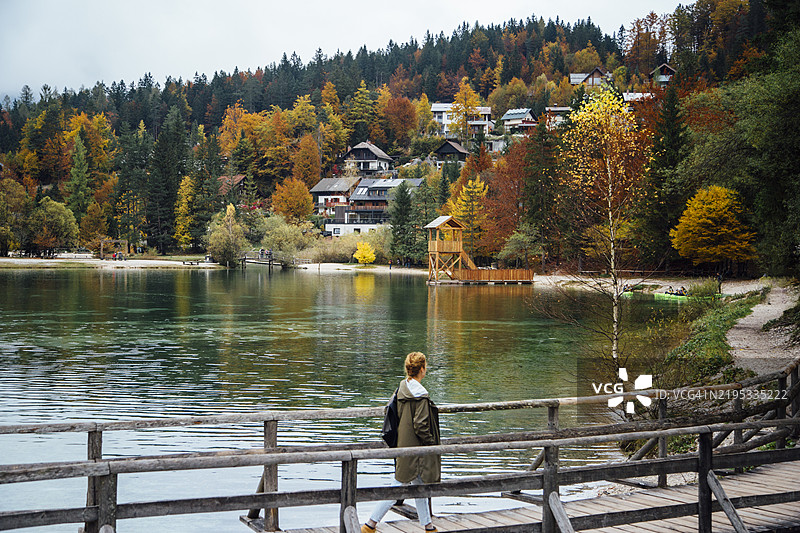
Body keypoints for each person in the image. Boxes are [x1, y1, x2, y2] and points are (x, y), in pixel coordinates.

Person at [362, 352, 440, 533]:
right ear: (422, 369)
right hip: (415, 448)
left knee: (418, 484)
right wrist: (431, 442)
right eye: (425, 367)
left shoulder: (402, 389)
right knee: (398, 484)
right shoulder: (420, 395)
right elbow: (420, 425)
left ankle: (428, 526)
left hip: (403, 444)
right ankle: (370, 524)